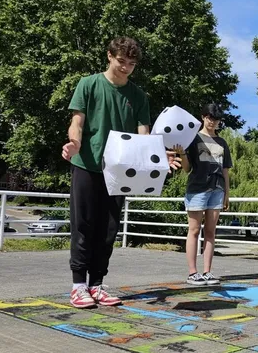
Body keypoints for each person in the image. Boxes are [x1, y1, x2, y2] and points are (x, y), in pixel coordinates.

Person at [62, 37, 181, 308]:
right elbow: (76, 122)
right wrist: (75, 143)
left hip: (120, 172)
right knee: (84, 225)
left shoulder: (138, 96)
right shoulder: (89, 84)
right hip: (88, 164)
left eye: (131, 64)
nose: (126, 67)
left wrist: (157, 155)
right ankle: (78, 285)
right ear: (109, 56)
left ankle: (97, 284)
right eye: (121, 61)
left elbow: (144, 135)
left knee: (108, 230)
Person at [175, 104, 232, 286]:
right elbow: (187, 168)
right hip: (198, 188)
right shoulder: (193, 138)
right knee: (194, 230)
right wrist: (182, 154)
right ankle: (193, 272)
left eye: (216, 119)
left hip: (217, 189)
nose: (212, 121)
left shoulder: (222, 143)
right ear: (203, 117)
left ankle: (207, 271)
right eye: (209, 117)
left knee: (210, 232)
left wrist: (227, 194)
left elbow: (225, 171)